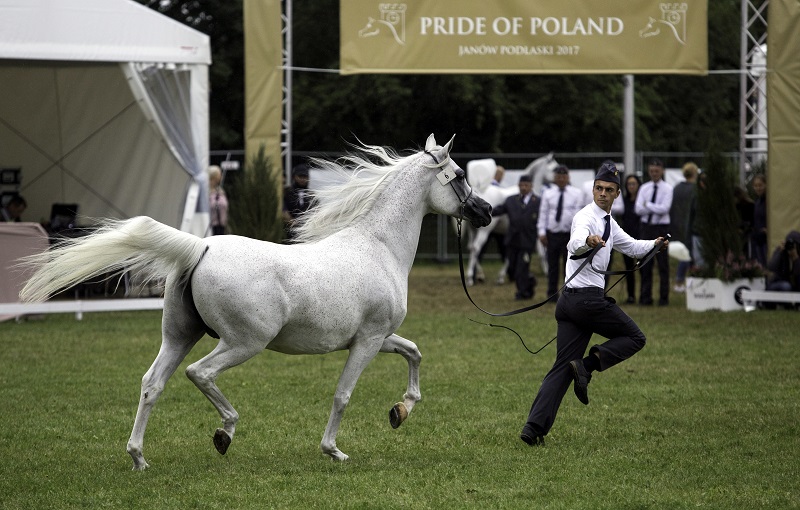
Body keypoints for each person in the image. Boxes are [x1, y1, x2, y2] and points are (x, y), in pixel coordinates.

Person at [520, 161, 668, 446]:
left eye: (609, 190)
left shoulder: (610, 223)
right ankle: (587, 366)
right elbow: (574, 242)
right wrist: (588, 240)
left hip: (570, 304)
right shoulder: (585, 217)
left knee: (562, 367)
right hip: (586, 301)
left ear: (616, 195)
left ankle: (532, 428)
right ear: (593, 190)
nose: (602, 193)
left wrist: (655, 244)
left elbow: (633, 246)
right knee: (636, 337)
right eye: (599, 188)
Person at [537, 165, 584, 301]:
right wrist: (541, 232)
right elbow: (543, 214)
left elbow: (578, 214)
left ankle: (567, 293)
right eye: (559, 177)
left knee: (568, 265)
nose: (561, 179)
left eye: (564, 177)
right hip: (552, 234)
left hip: (568, 235)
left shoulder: (576, 193)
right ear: (555, 178)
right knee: (552, 265)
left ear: (568, 178)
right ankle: (552, 294)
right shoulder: (548, 193)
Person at [492, 174, 540, 300]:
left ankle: (522, 292)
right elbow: (499, 210)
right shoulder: (511, 200)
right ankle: (530, 281)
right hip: (512, 240)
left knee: (521, 268)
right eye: (521, 185)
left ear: (531, 186)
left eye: (526, 185)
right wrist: (485, 210)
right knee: (512, 267)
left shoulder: (537, 201)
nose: (523, 188)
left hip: (527, 241)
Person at [635, 158, 673, 306]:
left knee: (663, 264)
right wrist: (654, 207)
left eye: (657, 171)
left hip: (661, 228)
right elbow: (638, 209)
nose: (654, 174)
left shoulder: (668, 188)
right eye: (651, 171)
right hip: (646, 227)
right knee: (645, 263)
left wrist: (648, 205)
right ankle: (645, 297)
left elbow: (665, 209)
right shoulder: (644, 188)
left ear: (662, 171)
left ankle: (664, 298)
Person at [669, 162, 698, 293]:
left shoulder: (676, 188)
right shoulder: (695, 189)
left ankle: (680, 281)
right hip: (690, 225)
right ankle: (688, 280)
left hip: (677, 223)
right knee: (691, 254)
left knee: (684, 253)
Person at [620, 174, 642, 303]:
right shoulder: (623, 201)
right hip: (627, 238)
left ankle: (644, 295)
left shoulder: (641, 201)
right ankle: (631, 295)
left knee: (643, 268)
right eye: (629, 184)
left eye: (634, 184)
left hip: (640, 237)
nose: (631, 187)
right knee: (629, 268)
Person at [283, 163, 314, 240]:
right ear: (294, 177)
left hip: (307, 232)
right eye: (300, 176)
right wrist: (290, 221)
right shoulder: (287, 192)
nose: (303, 179)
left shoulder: (312, 195)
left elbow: (316, 211)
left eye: (305, 177)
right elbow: (283, 208)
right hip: (289, 231)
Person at [751, 174, 767, 267]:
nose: (758, 188)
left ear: (765, 185)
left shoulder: (768, 201)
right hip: (757, 240)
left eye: (760, 185)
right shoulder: (757, 202)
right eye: (756, 186)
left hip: (766, 241)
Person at [208, 165, 228, 235]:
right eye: (219, 174)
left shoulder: (220, 191)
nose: (221, 177)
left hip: (221, 224)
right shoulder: (206, 191)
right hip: (211, 225)